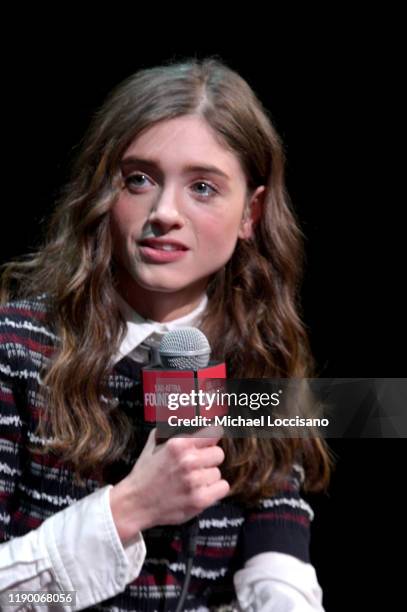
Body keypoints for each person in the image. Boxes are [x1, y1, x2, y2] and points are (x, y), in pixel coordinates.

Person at [0, 57, 331, 611]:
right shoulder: (18, 349)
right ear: (103, 194)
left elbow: (276, 518)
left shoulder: (256, 353)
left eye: (202, 187)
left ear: (251, 213)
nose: (164, 212)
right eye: (139, 179)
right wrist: (129, 509)